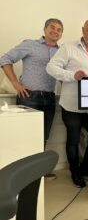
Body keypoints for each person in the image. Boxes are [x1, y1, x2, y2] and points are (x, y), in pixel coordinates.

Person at [47, 19, 88, 188]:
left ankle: (85, 169)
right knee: (73, 140)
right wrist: (72, 75)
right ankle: (74, 172)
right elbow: (50, 67)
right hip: (72, 105)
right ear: (83, 30)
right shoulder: (68, 48)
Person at [0, 18, 63, 147]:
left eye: (59, 30)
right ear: (45, 29)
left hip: (50, 99)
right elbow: (5, 59)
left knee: (42, 139)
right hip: (29, 97)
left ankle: (39, 168)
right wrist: (15, 83)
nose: (55, 31)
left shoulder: (62, 51)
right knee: (25, 137)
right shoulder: (30, 44)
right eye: (52, 27)